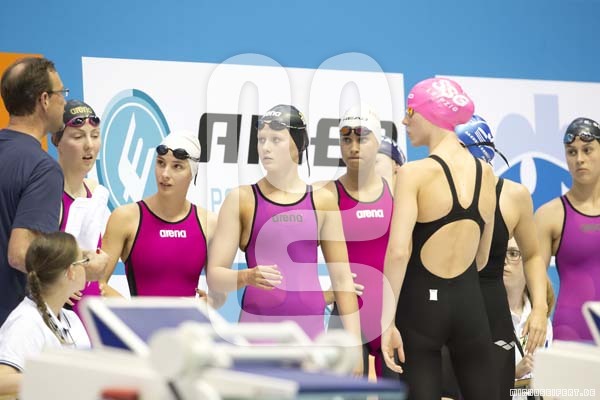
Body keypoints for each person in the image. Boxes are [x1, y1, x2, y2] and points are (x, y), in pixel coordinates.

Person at [206, 104, 362, 372]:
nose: (265, 148)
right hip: (257, 335)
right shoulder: (242, 200)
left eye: (275, 140)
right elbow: (215, 276)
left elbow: (342, 279)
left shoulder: (322, 200)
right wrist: (246, 276)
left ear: (298, 144)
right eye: (261, 140)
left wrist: (355, 349)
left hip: (310, 335)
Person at [381, 78, 498, 400]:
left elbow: (399, 252)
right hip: (469, 304)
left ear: (431, 113)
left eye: (410, 111)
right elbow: (482, 257)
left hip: (421, 307)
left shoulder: (414, 173)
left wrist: (386, 322)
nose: (404, 121)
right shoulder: (486, 173)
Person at [439, 115, 549, 400]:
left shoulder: (514, 196)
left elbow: (533, 254)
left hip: (491, 311)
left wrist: (539, 308)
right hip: (445, 312)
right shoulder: (435, 192)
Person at [319, 103, 398, 379]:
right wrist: (322, 295)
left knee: (397, 395)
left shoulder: (397, 191)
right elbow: (293, 253)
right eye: (346, 140)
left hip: (391, 315)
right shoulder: (326, 194)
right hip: (346, 315)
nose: (353, 147)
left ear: (378, 142)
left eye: (362, 139)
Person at [100, 130, 218, 303]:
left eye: (177, 166)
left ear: (192, 173)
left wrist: (211, 301)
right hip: (139, 322)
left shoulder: (209, 223)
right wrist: (131, 311)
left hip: (190, 322)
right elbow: (96, 283)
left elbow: (219, 292)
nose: (165, 174)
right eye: (161, 163)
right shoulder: (126, 218)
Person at [0, 57, 66, 325]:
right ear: (44, 100)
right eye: (62, 93)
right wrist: (76, 263)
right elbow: (21, 254)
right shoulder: (43, 168)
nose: (65, 101)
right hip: (8, 327)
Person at [0, 232, 91, 396]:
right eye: (83, 261)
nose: (87, 266)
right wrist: (59, 375)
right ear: (71, 271)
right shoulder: (26, 321)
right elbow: (2, 381)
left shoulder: (71, 319)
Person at [535, 117, 600, 342]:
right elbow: (533, 281)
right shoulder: (550, 215)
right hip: (571, 331)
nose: (579, 159)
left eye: (587, 150)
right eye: (572, 152)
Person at [50, 100, 109, 315]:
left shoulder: (95, 192)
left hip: (90, 312)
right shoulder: (48, 196)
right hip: (58, 315)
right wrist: (53, 284)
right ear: (57, 141)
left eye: (95, 135)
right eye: (78, 137)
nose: (89, 145)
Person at [503, 238, 554, 400]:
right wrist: (514, 374)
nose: (504, 260)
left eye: (513, 254)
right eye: (500, 253)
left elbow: (546, 384)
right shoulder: (482, 316)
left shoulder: (543, 322)